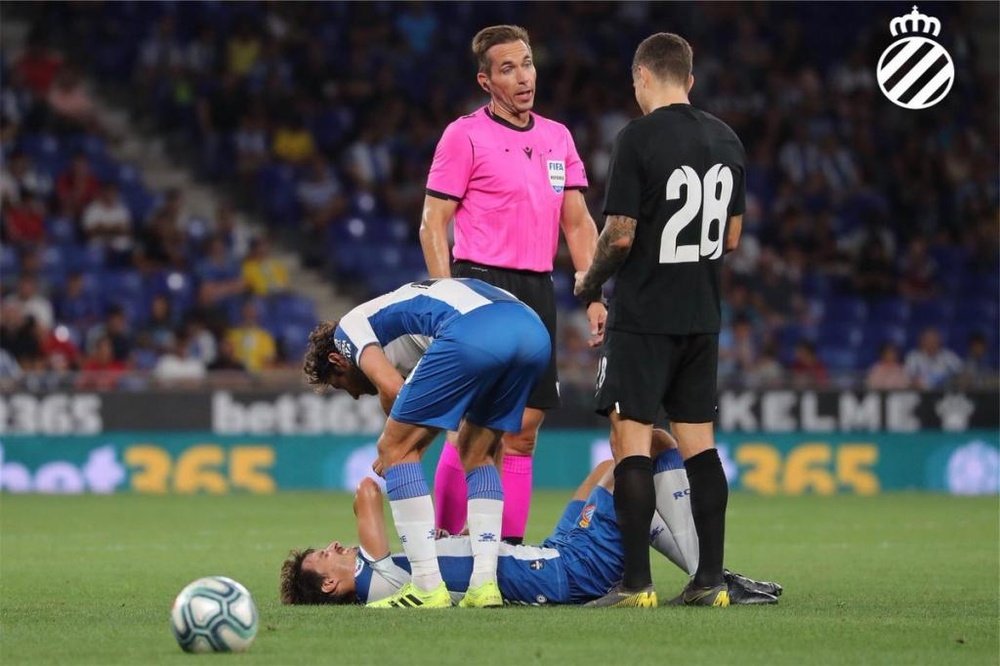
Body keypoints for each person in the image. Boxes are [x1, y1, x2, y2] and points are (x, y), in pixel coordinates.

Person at [574, 33, 746, 608]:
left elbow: (619, 234)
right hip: (702, 313)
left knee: (632, 444)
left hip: (645, 316)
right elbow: (733, 236)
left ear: (641, 77)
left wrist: (589, 282)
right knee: (701, 447)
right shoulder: (727, 137)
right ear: (689, 79)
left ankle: (637, 585)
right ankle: (711, 581)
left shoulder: (637, 138)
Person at [419, 24, 605, 546]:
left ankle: (510, 553)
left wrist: (592, 292)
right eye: (508, 68)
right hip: (481, 288)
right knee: (475, 430)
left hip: (537, 290)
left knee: (523, 432)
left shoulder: (557, 137)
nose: (523, 77)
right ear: (486, 80)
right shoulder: (464, 135)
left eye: (526, 64)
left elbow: (578, 223)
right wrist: (446, 298)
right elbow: (433, 223)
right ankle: (444, 541)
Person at [280, 429, 782, 607]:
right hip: (565, 570)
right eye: (327, 556)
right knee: (654, 445)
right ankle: (707, 576)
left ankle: (703, 573)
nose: (336, 547)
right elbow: (368, 491)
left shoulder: (393, 584)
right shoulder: (377, 578)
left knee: (610, 469)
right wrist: (392, 451)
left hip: (549, 556)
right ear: (329, 585)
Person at [302, 277, 551, 609]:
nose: (355, 393)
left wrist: (400, 445)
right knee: (479, 450)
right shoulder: (413, 342)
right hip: (533, 331)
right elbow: (426, 404)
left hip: (475, 330)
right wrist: (414, 439)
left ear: (338, 360)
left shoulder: (348, 332)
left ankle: (426, 586)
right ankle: (484, 584)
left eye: (341, 384)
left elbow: (391, 388)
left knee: (392, 450)